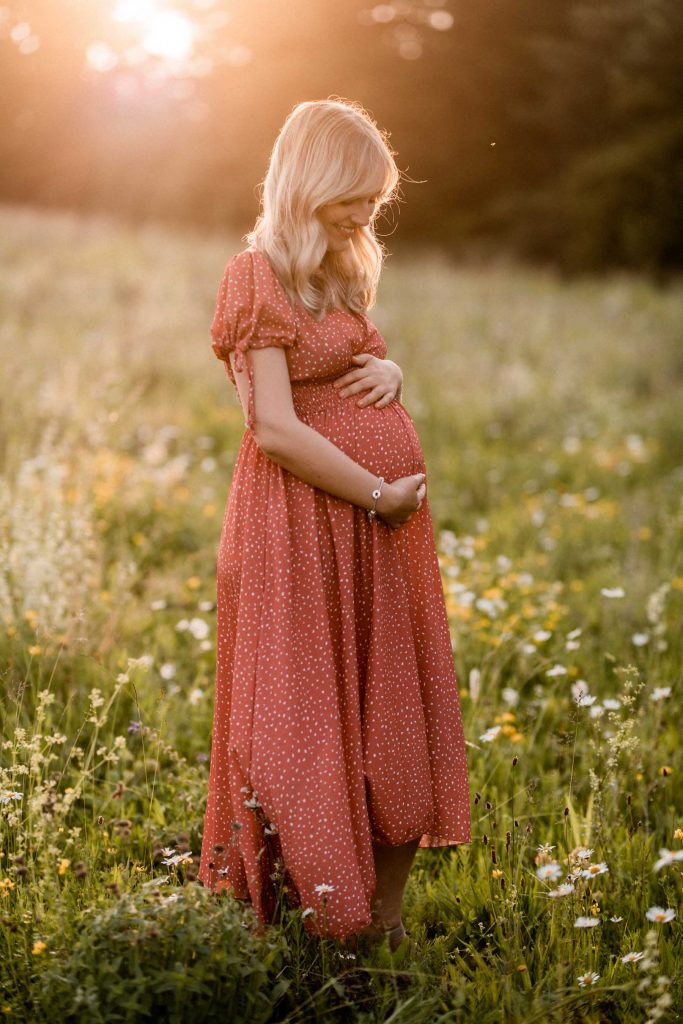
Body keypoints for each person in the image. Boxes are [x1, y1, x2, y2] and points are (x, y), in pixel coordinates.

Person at [198, 97, 471, 953]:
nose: (365, 214)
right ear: (308, 182)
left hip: (377, 533)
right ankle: (322, 921)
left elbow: (355, 359)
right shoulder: (255, 275)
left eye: (373, 200)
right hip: (303, 523)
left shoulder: (344, 266)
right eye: (352, 197)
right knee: (299, 720)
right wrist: (375, 492)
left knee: (389, 707)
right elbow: (272, 427)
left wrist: (386, 367)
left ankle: (382, 926)